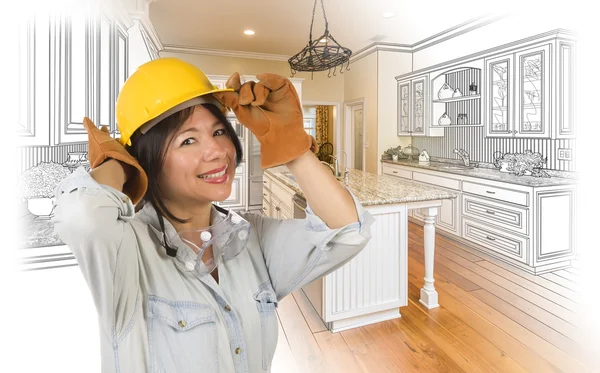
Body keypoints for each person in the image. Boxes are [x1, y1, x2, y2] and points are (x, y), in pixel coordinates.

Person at [52, 57, 374, 373]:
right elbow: (81, 217)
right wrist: (119, 163)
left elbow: (348, 231)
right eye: (188, 140)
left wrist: (293, 146)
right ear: (145, 158)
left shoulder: (251, 239)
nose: (217, 151)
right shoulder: (126, 251)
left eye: (219, 132)